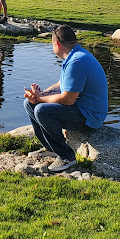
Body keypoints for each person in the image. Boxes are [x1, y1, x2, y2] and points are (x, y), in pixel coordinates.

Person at [23, 25, 108, 172]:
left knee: (42, 110)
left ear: (57, 44)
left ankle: (66, 156)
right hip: (80, 109)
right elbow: (61, 85)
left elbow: (68, 100)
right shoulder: (75, 55)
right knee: (29, 104)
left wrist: (41, 100)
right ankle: (50, 147)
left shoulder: (77, 61)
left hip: (90, 117)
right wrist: (41, 94)